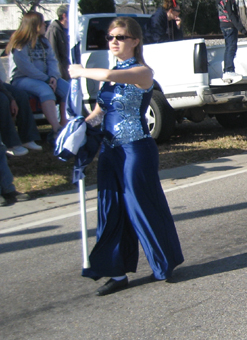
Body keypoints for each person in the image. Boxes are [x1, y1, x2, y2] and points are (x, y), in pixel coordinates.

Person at [68, 17, 183, 295]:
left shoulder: (142, 72)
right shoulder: (109, 77)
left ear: (135, 41)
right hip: (111, 151)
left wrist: (80, 71)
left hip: (136, 150)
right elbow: (99, 113)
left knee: (140, 206)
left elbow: (108, 76)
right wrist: (78, 130)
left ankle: (163, 263)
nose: (114, 42)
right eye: (110, 37)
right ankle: (115, 272)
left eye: (120, 37)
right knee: (111, 210)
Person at [7, 11, 69, 137]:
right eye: (42, 23)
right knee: (45, 91)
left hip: (46, 78)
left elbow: (52, 60)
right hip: (22, 79)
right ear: (34, 25)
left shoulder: (44, 42)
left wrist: (53, 76)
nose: (45, 25)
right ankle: (56, 128)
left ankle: (65, 124)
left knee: (68, 89)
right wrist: (46, 80)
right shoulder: (19, 43)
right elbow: (26, 68)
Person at [215, 0, 247, 83]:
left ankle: (228, 69)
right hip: (229, 25)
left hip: (223, 24)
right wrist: (242, 29)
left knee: (228, 47)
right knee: (231, 47)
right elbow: (231, 14)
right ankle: (229, 70)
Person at [46, 3, 70, 80]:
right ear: (64, 16)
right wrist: (58, 75)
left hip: (68, 71)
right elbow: (53, 55)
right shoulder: (54, 30)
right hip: (60, 75)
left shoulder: (66, 30)